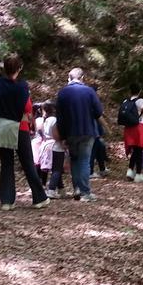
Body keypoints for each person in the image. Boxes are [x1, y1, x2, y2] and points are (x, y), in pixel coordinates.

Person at [0, 55, 50, 211]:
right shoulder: (22, 86)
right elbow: (28, 108)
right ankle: (39, 198)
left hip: (2, 126)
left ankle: (7, 201)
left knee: (6, 163)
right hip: (20, 126)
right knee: (27, 162)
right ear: (19, 68)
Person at [55, 68, 106, 201]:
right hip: (87, 130)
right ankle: (85, 192)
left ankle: (77, 188)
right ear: (82, 77)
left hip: (70, 132)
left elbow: (59, 117)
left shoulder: (62, 93)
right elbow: (98, 111)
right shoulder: (89, 91)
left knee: (74, 159)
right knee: (84, 160)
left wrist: (62, 136)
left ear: (69, 78)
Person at [121, 84, 143, 182]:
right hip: (138, 127)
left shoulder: (125, 101)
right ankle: (139, 174)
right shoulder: (141, 101)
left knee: (135, 150)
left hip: (128, 128)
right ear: (140, 91)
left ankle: (130, 170)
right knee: (139, 150)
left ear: (130, 91)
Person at [41, 102, 68, 198]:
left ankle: (61, 189)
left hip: (47, 144)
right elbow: (56, 133)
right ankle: (51, 190)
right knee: (57, 169)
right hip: (56, 146)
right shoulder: (54, 120)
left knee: (56, 168)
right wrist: (62, 143)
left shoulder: (47, 119)